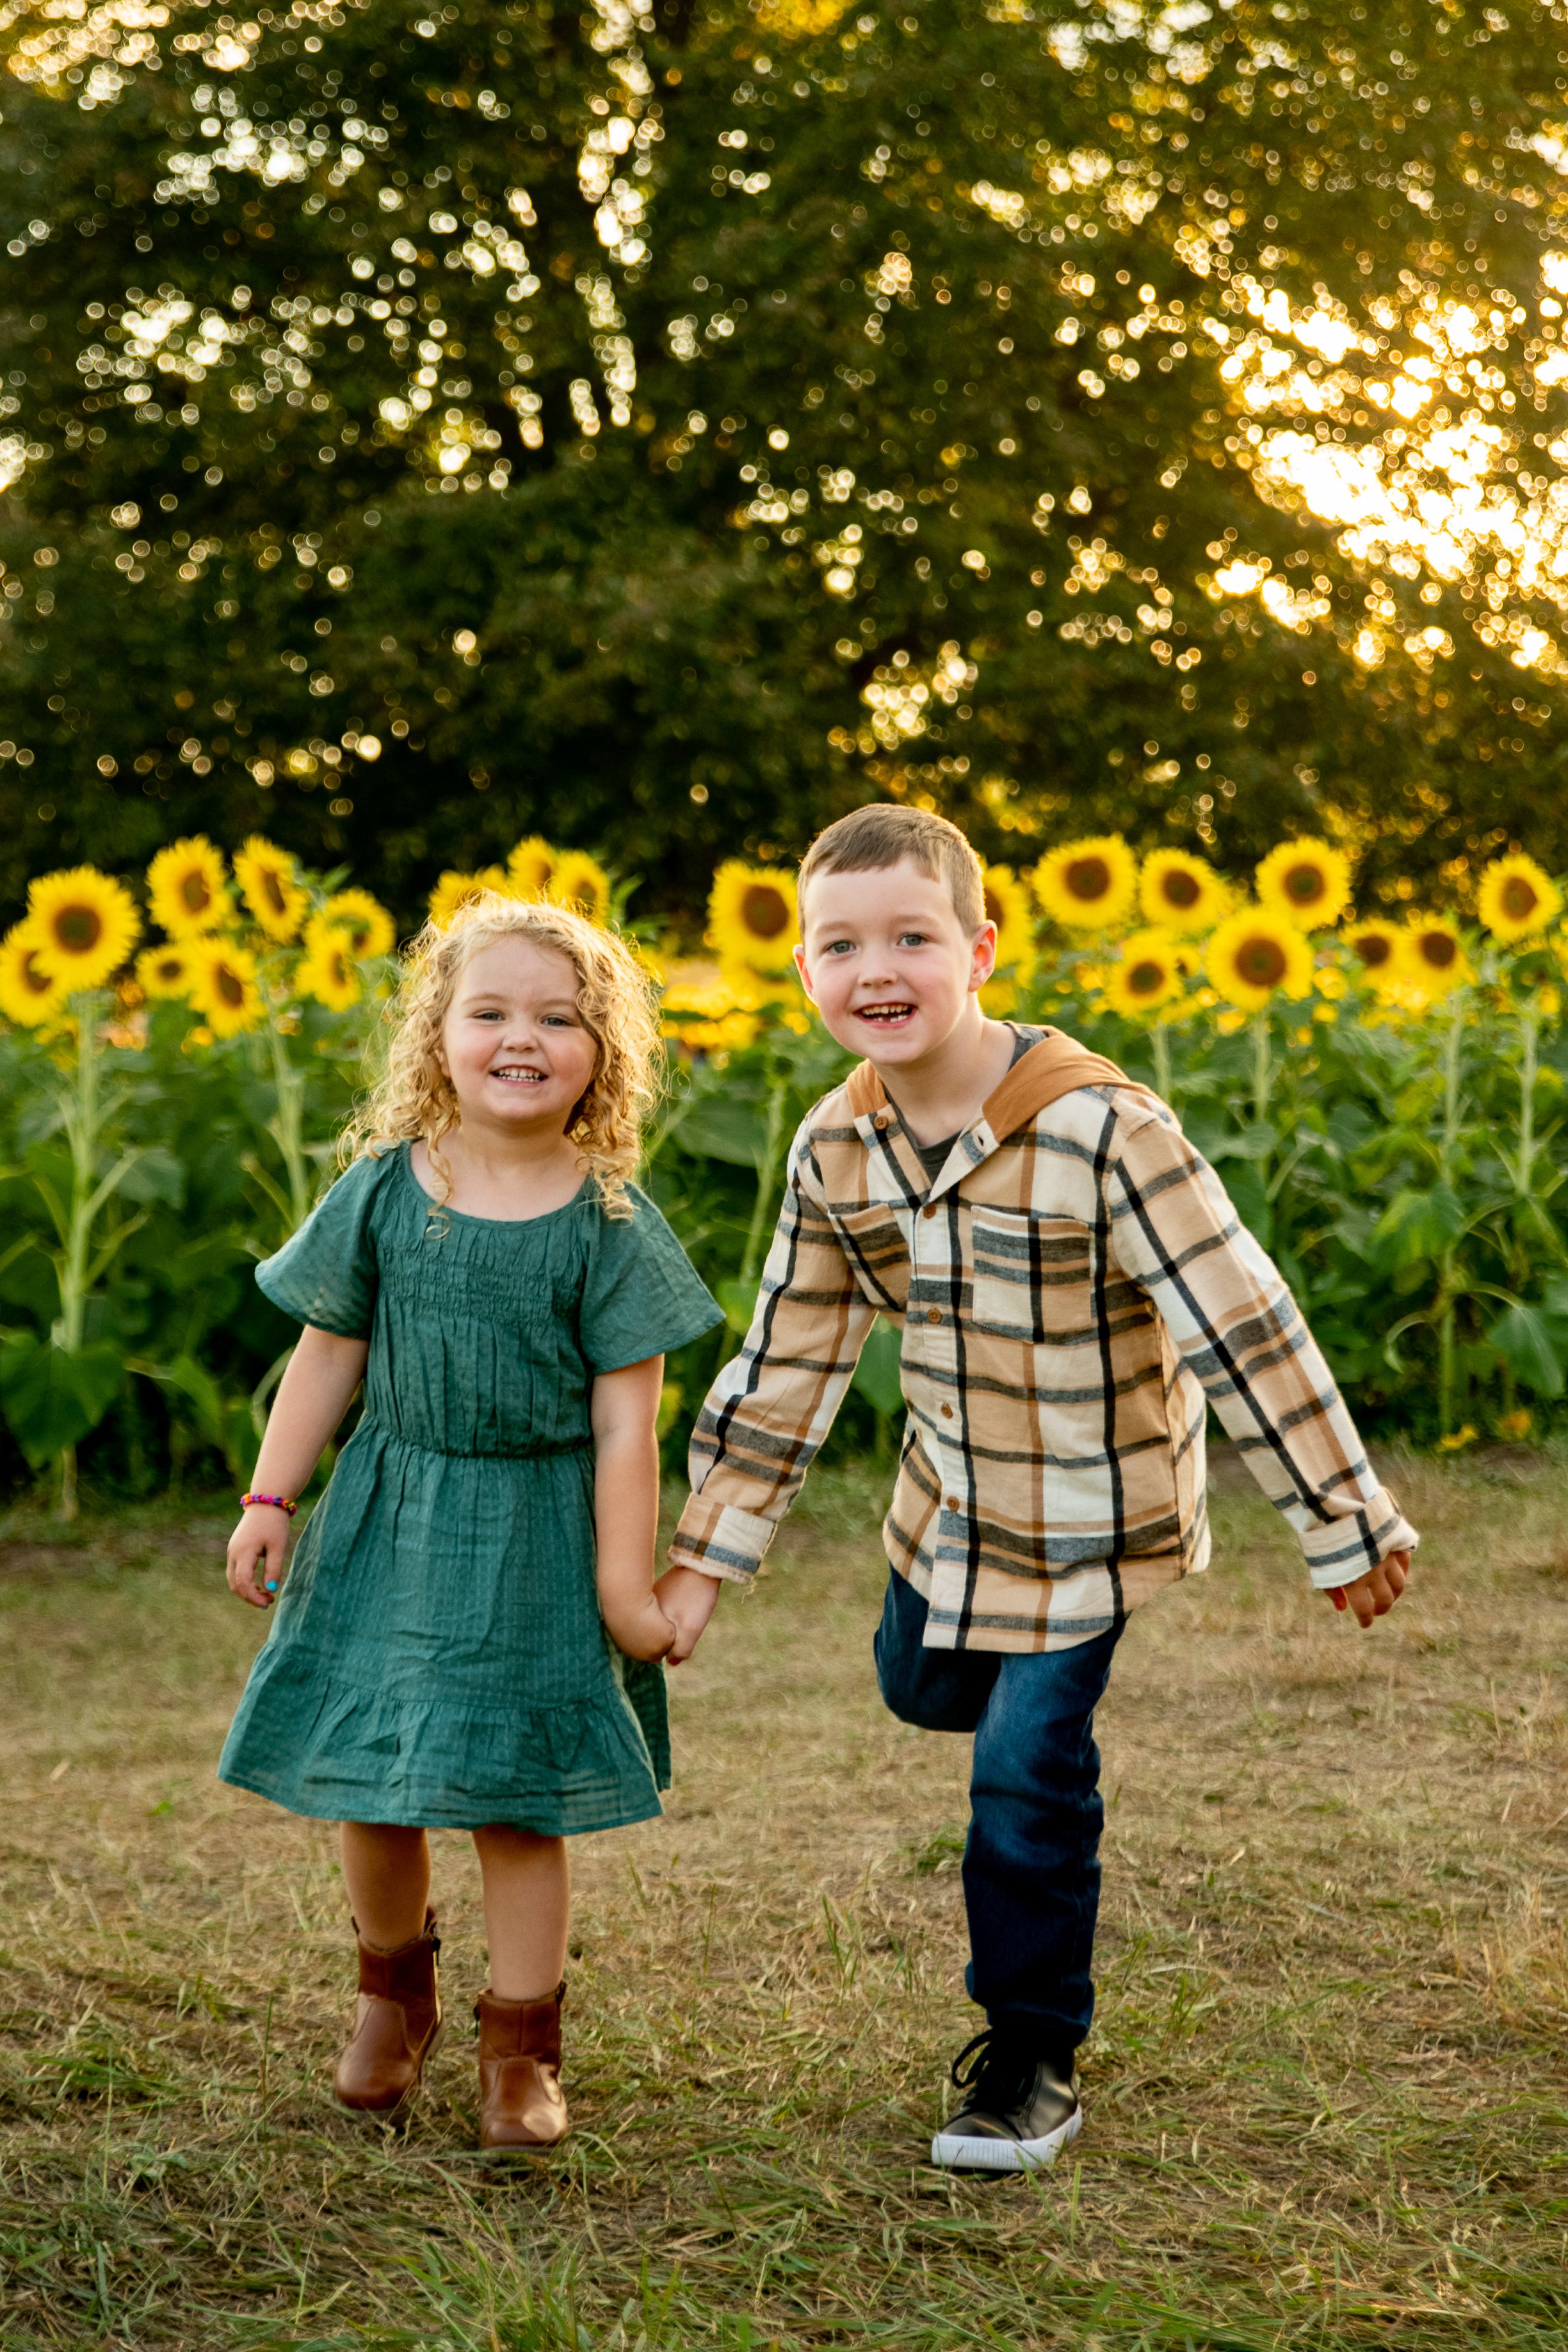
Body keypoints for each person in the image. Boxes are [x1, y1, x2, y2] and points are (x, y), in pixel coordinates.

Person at [656, 805, 1415, 2173]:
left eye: (909, 936)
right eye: (838, 943)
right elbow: (787, 1355)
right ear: (803, 972)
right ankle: (995, 1728)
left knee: (1021, 1770)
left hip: (1088, 1520)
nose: (873, 967)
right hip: (945, 1515)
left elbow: (1240, 1318)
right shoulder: (835, 1148)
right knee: (920, 1688)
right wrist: (705, 1556)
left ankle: (1028, 2056)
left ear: (980, 949)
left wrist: (1338, 1517)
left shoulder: (1102, 1129)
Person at [218, 893, 721, 2150]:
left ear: (601, 1052)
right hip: (391, 1514)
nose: (520, 1037)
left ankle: (521, 2045)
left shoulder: (606, 1224)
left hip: (537, 1540)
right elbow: (326, 1354)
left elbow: (625, 1429)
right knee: (372, 1780)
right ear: (436, 1035)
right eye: (488, 1010)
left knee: (518, 1798)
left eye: (558, 1018)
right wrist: (272, 1495)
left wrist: (624, 1590)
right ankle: (394, 1996)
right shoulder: (389, 1190)